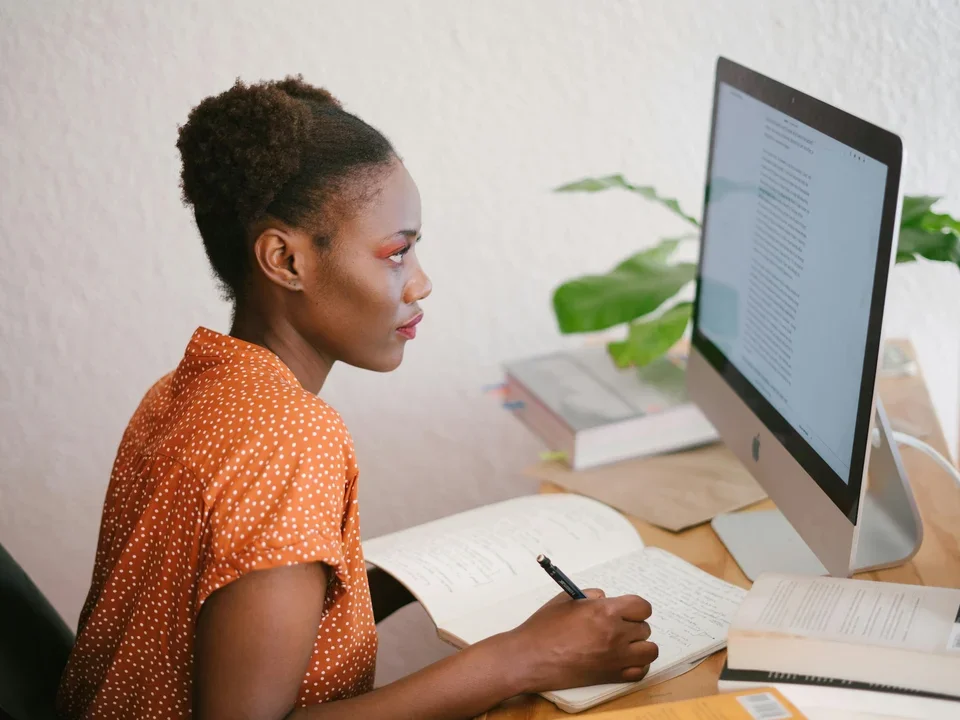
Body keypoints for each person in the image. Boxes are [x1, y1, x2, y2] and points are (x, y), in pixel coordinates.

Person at [56, 75, 659, 720]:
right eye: (396, 253)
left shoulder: (184, 389)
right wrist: (522, 658)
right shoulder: (291, 438)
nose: (421, 283)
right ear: (285, 261)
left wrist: (381, 587)